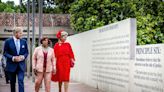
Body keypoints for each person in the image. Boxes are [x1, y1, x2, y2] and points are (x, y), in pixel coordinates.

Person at [3, 27, 29, 92]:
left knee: (20, 80)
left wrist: (23, 57)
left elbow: (26, 52)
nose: (21, 34)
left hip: (21, 66)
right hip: (11, 66)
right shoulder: (8, 41)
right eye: (20, 33)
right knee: (12, 83)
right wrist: (13, 58)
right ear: (16, 33)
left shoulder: (24, 41)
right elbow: (5, 53)